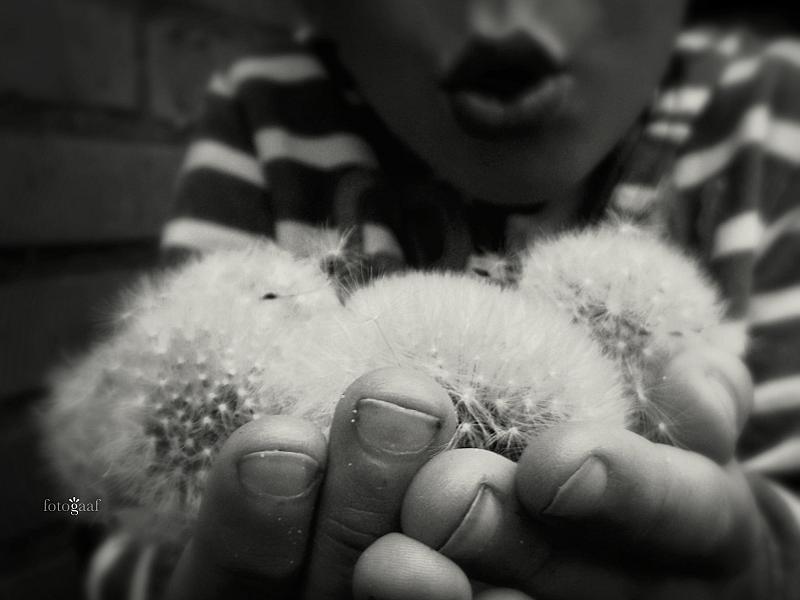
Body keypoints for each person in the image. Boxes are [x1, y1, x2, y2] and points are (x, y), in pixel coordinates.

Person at [88, 1, 800, 598]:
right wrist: (179, 566)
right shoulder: (262, 114)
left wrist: (774, 573)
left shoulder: (773, 115)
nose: (495, 10)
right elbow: (108, 517)